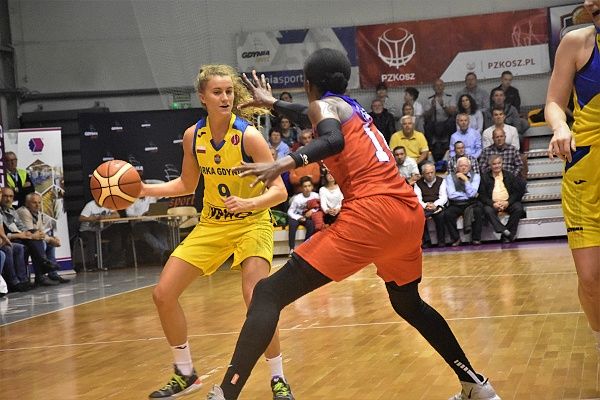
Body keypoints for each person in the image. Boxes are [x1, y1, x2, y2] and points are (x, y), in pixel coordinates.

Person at [206, 48, 500, 400]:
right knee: (408, 304)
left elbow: (332, 139)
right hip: (407, 213)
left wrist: (285, 162)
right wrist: (273, 104)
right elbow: (311, 117)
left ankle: (226, 394)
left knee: (268, 293)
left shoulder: (324, 109)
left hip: (372, 213)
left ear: (307, 84)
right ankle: (475, 384)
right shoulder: (351, 108)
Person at [139, 64, 292, 400]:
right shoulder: (193, 136)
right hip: (212, 223)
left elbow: (280, 191)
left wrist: (250, 203)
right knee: (163, 294)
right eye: (217, 92)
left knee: (257, 299)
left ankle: (278, 378)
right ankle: (185, 373)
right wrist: (144, 190)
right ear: (202, 97)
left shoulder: (249, 137)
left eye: (228, 92)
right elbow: (186, 184)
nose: (225, 98)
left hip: (252, 223)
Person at [545, 0, 600, 353]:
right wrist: (560, 126)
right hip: (585, 172)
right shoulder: (576, 42)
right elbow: (553, 101)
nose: (590, 2)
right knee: (591, 279)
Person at [17, 192, 70, 283]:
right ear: (27, 203)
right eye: (34, 203)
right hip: (21, 238)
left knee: (49, 245)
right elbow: (31, 231)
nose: (37, 205)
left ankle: (52, 273)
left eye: (39, 202)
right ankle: (40, 274)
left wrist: (52, 239)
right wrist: (49, 239)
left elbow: (40, 231)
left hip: (31, 238)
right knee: (41, 243)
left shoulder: (38, 214)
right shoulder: (23, 211)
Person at [478, 155, 525, 243]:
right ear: (490, 165)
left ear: (502, 164)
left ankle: (506, 234)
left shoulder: (509, 175)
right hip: (493, 204)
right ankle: (505, 231)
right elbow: (482, 196)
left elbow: (516, 193)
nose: (497, 166)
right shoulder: (484, 177)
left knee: (518, 208)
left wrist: (508, 202)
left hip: (507, 202)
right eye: (494, 164)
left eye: (499, 163)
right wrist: (493, 204)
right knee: (487, 210)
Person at [444, 157, 484, 247]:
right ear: (457, 167)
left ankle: (476, 238)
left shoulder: (476, 176)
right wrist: (467, 194)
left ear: (469, 167)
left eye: (466, 166)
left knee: (478, 211)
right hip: (456, 203)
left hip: (471, 203)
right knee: (447, 214)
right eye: (461, 166)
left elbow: (472, 195)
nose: (463, 167)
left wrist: (466, 180)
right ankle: (456, 238)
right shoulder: (450, 177)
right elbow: (451, 195)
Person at [414, 161, 447, 248]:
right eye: (427, 173)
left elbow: (443, 197)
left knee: (440, 216)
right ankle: (426, 241)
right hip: (424, 207)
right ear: (423, 174)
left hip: (438, 206)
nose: (430, 175)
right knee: (419, 217)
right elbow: (417, 199)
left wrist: (435, 205)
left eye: (432, 172)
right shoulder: (418, 184)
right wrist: (425, 205)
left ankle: (441, 241)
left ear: (435, 172)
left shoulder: (441, 181)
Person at [287, 176, 319, 254]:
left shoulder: (316, 196)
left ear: (312, 187)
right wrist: (299, 218)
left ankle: (305, 247)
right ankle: (291, 249)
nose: (307, 188)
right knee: (292, 224)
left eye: (309, 186)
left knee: (311, 224)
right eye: (305, 186)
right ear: (301, 188)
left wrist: (312, 211)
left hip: (307, 217)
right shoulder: (297, 198)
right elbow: (290, 211)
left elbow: (319, 207)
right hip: (297, 216)